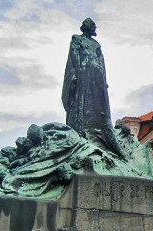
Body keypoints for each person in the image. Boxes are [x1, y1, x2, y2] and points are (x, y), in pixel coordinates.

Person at [62, 18, 125, 159]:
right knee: (82, 104)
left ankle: (100, 137)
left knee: (99, 109)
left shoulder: (96, 44)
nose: (95, 28)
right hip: (83, 75)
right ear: (88, 27)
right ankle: (81, 132)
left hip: (97, 80)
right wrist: (76, 74)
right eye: (93, 26)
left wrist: (103, 80)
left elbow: (102, 63)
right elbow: (74, 57)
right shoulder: (77, 40)